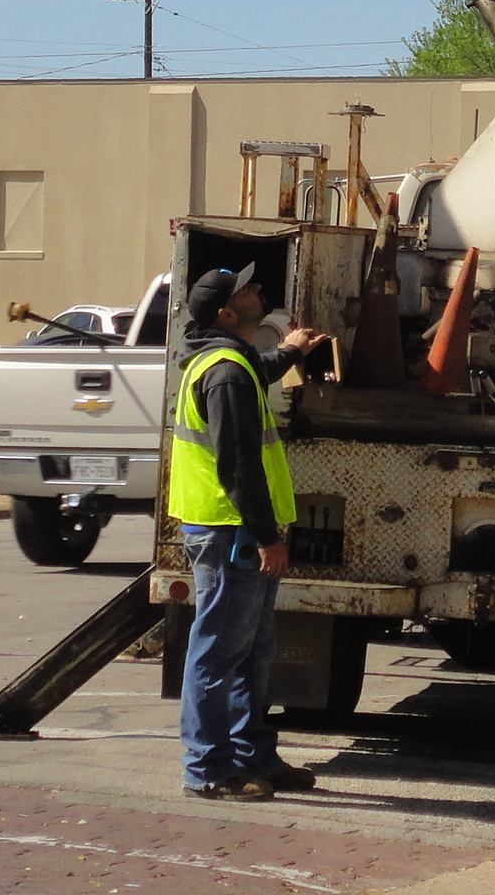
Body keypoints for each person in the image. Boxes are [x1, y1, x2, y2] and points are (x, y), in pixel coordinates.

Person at [170, 261, 329, 800]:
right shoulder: (225, 373)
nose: (260, 290)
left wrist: (291, 354)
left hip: (229, 529)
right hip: (229, 531)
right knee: (218, 653)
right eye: (249, 289)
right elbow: (238, 466)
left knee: (250, 650)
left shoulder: (226, 362)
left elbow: (255, 369)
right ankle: (210, 771)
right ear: (226, 312)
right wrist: (267, 537)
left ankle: (253, 755)